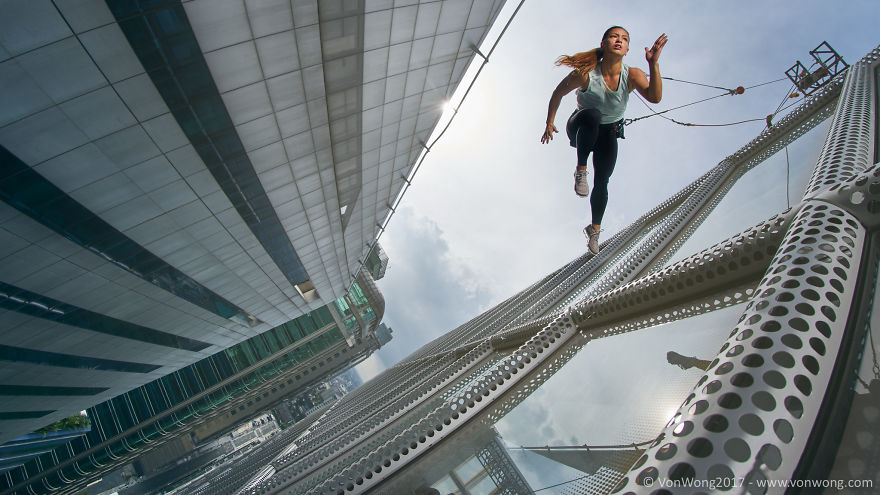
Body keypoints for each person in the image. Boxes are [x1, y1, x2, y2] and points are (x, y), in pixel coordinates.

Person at [541, 27, 667, 255]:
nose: (619, 40)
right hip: (581, 126)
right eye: (614, 36)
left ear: (627, 49)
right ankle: (580, 170)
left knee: (603, 181)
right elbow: (557, 93)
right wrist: (550, 122)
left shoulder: (633, 74)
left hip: (608, 134)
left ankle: (594, 231)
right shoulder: (586, 73)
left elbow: (655, 97)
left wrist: (653, 64)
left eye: (625, 39)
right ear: (604, 42)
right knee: (593, 115)